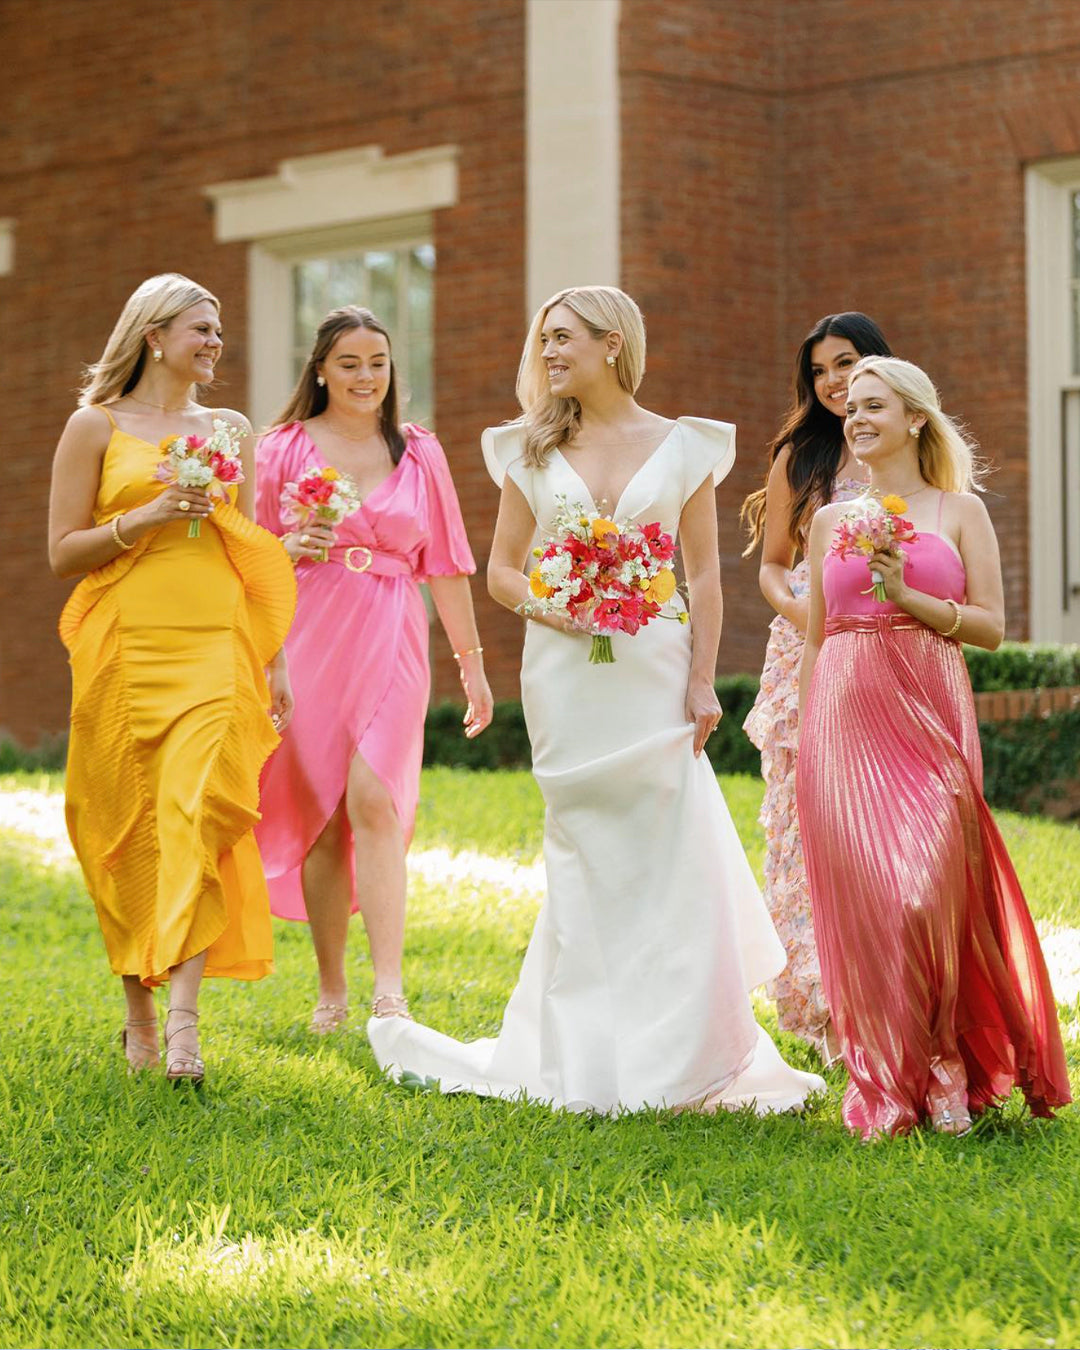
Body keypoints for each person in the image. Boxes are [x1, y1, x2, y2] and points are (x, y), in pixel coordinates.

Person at [367, 285, 825, 1114]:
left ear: (613, 344)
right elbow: (503, 569)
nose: (547, 355)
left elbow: (707, 580)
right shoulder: (529, 451)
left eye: (563, 339)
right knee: (584, 856)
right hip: (565, 676)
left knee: (665, 850)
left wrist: (699, 679)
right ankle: (583, 1056)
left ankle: (688, 1057)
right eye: (543, 341)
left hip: (654, 668)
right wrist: (561, 603)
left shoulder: (685, 446)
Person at [796, 355, 1071, 1137]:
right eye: (850, 407)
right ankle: (887, 1080)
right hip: (845, 718)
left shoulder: (959, 511)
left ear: (915, 417)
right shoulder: (827, 523)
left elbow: (990, 626)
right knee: (872, 909)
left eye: (873, 405)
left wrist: (908, 593)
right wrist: (806, 741)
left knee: (925, 895)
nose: (855, 417)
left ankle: (950, 1063)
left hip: (929, 708)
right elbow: (818, 640)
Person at [48, 273, 296, 1085]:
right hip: (124, 643)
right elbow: (61, 552)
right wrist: (146, 517)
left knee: (194, 813)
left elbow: (247, 543)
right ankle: (138, 1017)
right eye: (202, 328)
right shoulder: (96, 426)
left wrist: (274, 659)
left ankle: (185, 1028)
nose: (215, 342)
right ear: (155, 335)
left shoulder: (229, 428)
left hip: (215, 641)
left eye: (219, 329)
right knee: (124, 823)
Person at [255, 306, 493, 1033]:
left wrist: (473, 667)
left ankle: (390, 988)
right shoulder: (281, 448)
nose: (365, 376)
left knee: (376, 800)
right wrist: (268, 655)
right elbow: (252, 560)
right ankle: (333, 990)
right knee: (325, 812)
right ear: (320, 369)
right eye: (350, 363)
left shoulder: (419, 451)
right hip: (308, 633)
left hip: (394, 627)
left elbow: (447, 564)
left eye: (378, 363)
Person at [741, 313, 892, 1061]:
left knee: (879, 820)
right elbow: (771, 562)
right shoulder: (800, 458)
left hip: (888, 644)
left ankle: (889, 995)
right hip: (804, 644)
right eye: (821, 371)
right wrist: (803, 612)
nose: (834, 382)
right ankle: (831, 1013)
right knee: (808, 820)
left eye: (847, 363)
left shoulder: (907, 452)